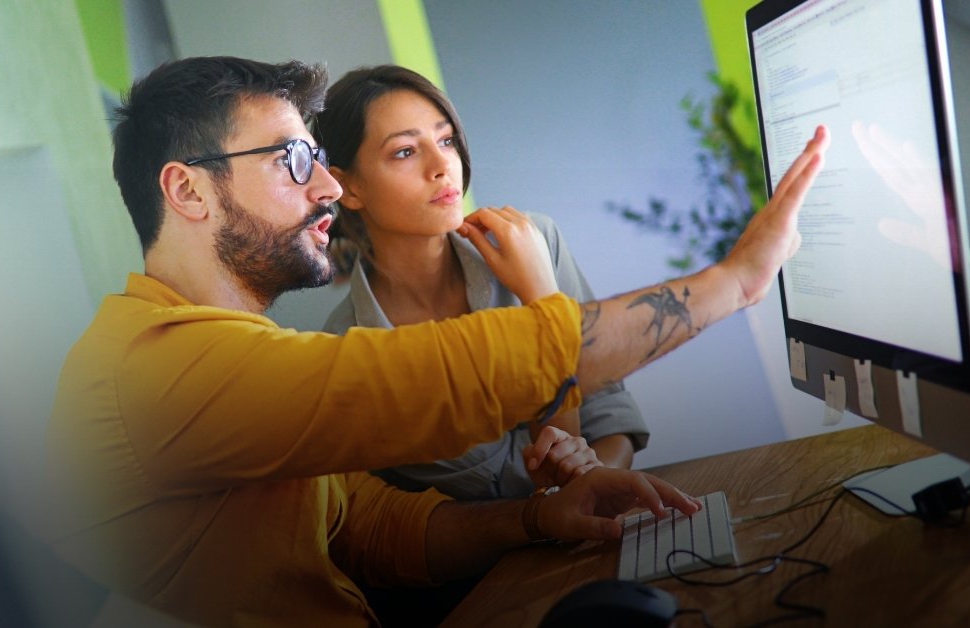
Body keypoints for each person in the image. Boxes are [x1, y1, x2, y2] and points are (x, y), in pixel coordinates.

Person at [46, 55, 829, 627]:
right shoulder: (157, 369)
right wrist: (736, 280)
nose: (324, 187)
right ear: (187, 190)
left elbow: (374, 527)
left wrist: (539, 521)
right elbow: (447, 377)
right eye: (292, 161)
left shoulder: (234, 351)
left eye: (317, 160)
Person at [316, 65, 644, 502]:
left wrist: (593, 486)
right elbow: (539, 477)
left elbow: (609, 416)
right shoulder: (348, 356)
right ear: (346, 187)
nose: (442, 166)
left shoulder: (536, 241)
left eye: (446, 140)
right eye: (405, 152)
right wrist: (543, 303)